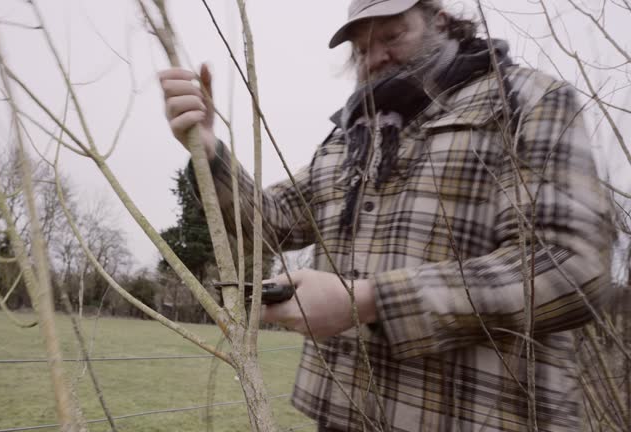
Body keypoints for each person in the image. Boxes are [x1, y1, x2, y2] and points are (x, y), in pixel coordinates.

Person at [159, 0, 615, 430]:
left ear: (438, 20)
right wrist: (210, 148)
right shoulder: (347, 139)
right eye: (361, 50)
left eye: (392, 35)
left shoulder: (528, 101)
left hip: (476, 418)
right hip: (341, 412)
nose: (375, 58)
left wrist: (371, 300)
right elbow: (272, 220)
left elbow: (570, 268)